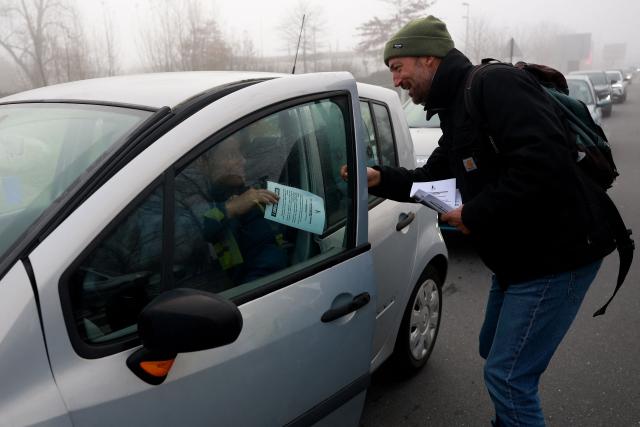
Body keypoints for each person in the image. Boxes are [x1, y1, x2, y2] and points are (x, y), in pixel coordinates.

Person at [341, 15, 616, 426]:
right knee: (495, 350)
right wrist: (380, 178)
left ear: (429, 60)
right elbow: (431, 176)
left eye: (398, 68)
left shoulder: (491, 85)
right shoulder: (457, 108)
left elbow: (546, 163)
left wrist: (476, 211)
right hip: (519, 259)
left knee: (507, 376)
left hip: (558, 256)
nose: (396, 80)